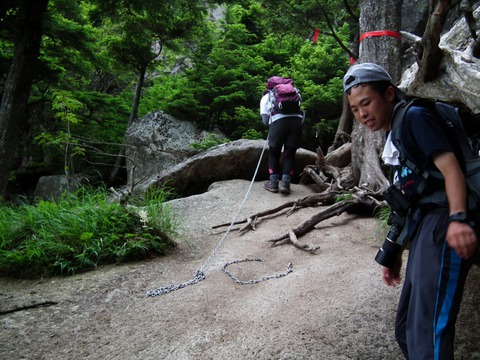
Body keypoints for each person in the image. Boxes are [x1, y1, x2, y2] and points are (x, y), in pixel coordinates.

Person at [343, 62, 478, 359]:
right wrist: (393, 253)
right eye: (355, 109)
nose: (362, 114)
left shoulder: (415, 117)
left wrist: (458, 219)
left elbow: (451, 169)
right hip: (424, 227)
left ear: (389, 94)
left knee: (428, 331)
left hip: (443, 222)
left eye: (366, 103)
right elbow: (410, 198)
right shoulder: (396, 131)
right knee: (406, 329)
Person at [260, 78, 304, 195]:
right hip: (296, 123)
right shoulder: (295, 92)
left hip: (279, 123)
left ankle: (273, 183)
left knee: (274, 153)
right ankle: (285, 184)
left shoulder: (268, 96)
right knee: (289, 154)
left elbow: (265, 120)